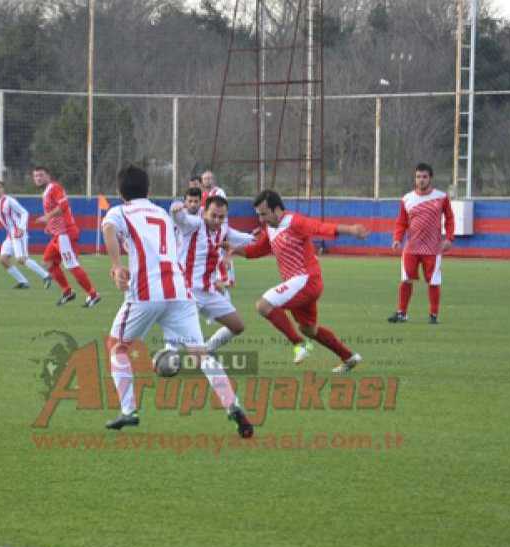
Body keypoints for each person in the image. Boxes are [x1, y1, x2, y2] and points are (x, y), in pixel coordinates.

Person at [101, 165, 253, 437]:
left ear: (120, 192)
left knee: (117, 347)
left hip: (147, 291)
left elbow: (109, 228)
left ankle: (128, 410)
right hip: (180, 291)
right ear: (148, 190)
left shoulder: (119, 211)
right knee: (201, 354)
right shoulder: (160, 212)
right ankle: (233, 405)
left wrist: (116, 265)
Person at [228, 189, 369, 374]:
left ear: (277, 209)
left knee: (263, 305)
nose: (261, 219)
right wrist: (233, 249)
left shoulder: (294, 221)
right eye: (258, 215)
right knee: (309, 329)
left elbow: (319, 227)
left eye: (263, 214)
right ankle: (349, 358)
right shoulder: (270, 228)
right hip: (298, 285)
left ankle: (299, 345)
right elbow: (257, 250)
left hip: (306, 280)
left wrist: (350, 230)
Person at [171, 194, 252, 353]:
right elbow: (181, 219)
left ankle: (208, 350)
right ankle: (168, 356)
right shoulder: (195, 224)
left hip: (209, 291)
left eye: (221, 217)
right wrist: (176, 209)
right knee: (182, 335)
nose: (216, 220)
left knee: (237, 326)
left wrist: (266, 239)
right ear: (204, 212)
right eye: (213, 215)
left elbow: (246, 239)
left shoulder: (223, 229)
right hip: (187, 291)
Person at [388, 163, 454, 324]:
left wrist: (449, 238)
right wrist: (397, 239)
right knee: (406, 279)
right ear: (415, 178)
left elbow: (450, 218)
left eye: (424, 177)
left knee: (433, 281)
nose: (421, 180)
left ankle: (433, 315)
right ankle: (402, 313)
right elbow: (401, 222)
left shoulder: (441, 197)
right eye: (418, 177)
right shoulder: (407, 199)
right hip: (411, 248)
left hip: (433, 248)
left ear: (430, 178)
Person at [31, 166, 101, 307]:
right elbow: (57, 212)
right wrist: (49, 225)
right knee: (48, 262)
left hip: (65, 234)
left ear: (48, 176)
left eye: (41, 175)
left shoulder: (54, 187)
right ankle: (67, 292)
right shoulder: (46, 192)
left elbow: (63, 205)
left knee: (71, 265)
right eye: (36, 176)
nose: (38, 178)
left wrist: (47, 217)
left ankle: (93, 295)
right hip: (58, 234)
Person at [0, 180, 50, 289]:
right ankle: (23, 282)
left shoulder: (9, 201)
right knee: (3, 259)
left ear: (3, 189)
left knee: (21, 259)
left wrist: (21, 228)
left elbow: (24, 212)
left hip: (18, 233)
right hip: (10, 234)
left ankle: (46, 276)